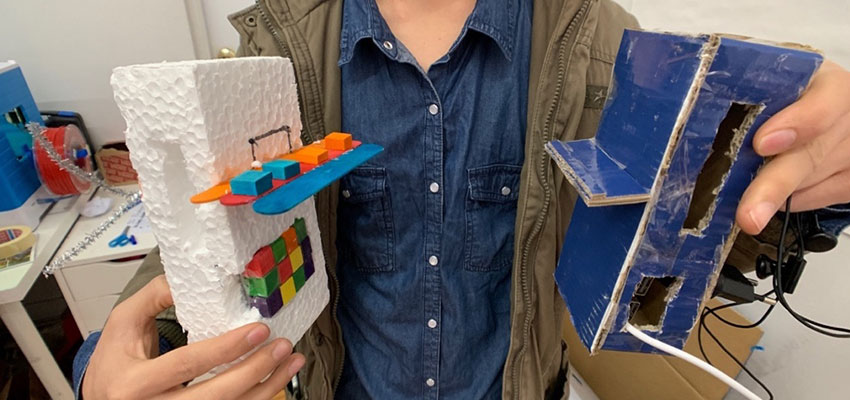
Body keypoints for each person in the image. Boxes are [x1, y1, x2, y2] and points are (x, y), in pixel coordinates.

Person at [73, 0, 850, 398]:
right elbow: (209, 225)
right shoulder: (283, 39)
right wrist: (104, 364)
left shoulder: (595, 39)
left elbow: (699, 224)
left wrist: (807, 176)